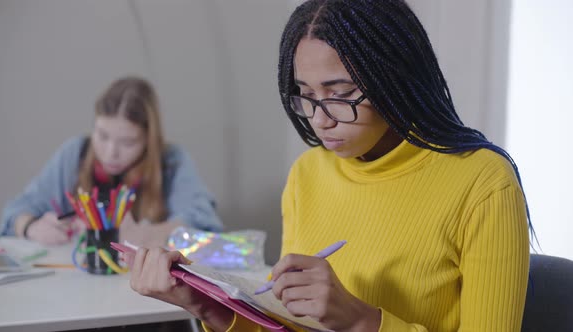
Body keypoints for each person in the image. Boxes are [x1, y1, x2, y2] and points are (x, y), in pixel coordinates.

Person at [122, 1, 532, 331]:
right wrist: (207, 306)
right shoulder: (308, 175)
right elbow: (290, 325)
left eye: (340, 94)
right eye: (305, 95)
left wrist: (361, 321)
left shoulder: (482, 182)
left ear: (396, 79)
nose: (320, 119)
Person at [0, 76, 223, 246]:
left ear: (148, 139)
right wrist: (30, 226)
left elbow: (206, 226)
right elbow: (17, 210)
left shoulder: (171, 161)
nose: (110, 153)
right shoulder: (75, 153)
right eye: (102, 135)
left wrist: (151, 234)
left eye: (128, 142)